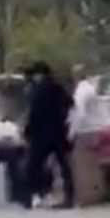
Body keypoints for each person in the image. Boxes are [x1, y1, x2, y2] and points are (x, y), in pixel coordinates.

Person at [24, 61, 75, 209]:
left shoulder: (37, 91)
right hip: (59, 132)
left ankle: (35, 196)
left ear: (39, 74)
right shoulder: (58, 88)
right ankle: (69, 197)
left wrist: (28, 131)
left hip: (40, 135)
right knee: (64, 166)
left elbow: (33, 113)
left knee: (35, 166)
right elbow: (70, 104)